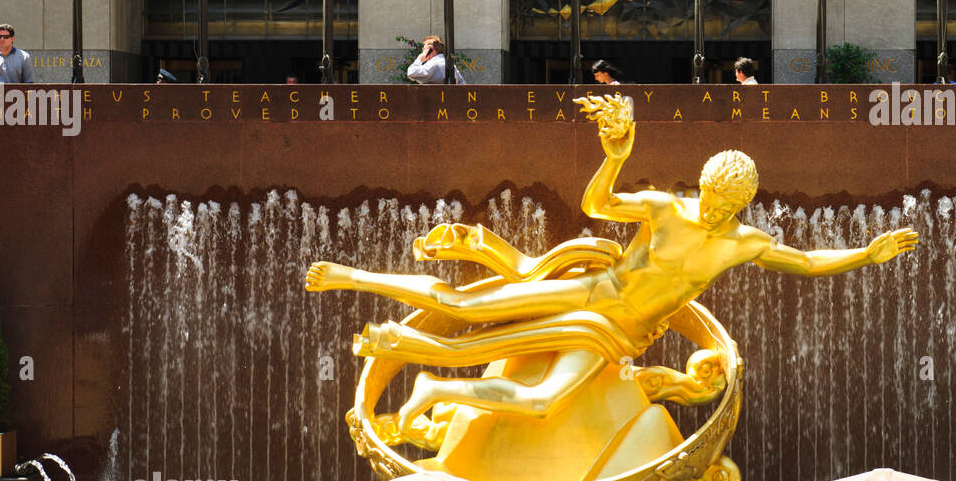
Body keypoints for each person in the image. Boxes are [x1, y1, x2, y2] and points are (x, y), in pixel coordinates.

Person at [306, 93, 917, 437]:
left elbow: (807, 262)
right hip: (592, 294)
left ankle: (434, 386)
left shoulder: (744, 242)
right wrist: (615, 155)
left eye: (722, 205)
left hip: (617, 337)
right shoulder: (666, 208)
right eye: (706, 196)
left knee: (542, 401)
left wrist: (867, 252)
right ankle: (350, 277)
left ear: (740, 206)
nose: (709, 209)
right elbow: (597, 204)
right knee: (461, 304)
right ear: (700, 186)